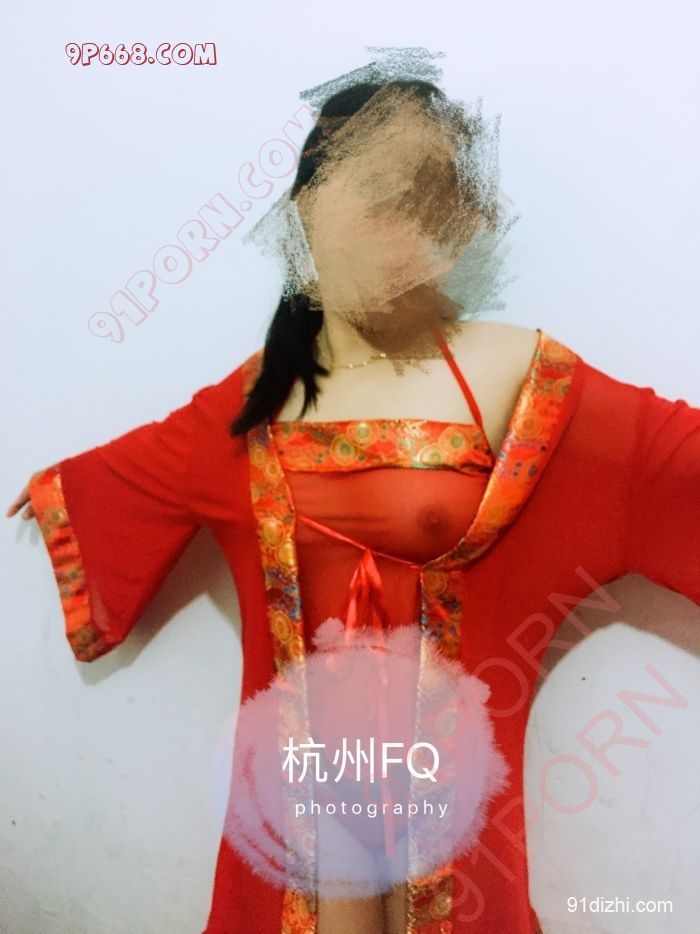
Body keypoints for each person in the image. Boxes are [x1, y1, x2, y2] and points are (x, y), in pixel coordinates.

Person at [7, 78, 700, 934]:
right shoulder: (253, 406)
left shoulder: (516, 376)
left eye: (429, 196)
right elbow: (123, 478)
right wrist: (61, 489)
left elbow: (669, 464)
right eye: (378, 189)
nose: (402, 224)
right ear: (306, 207)